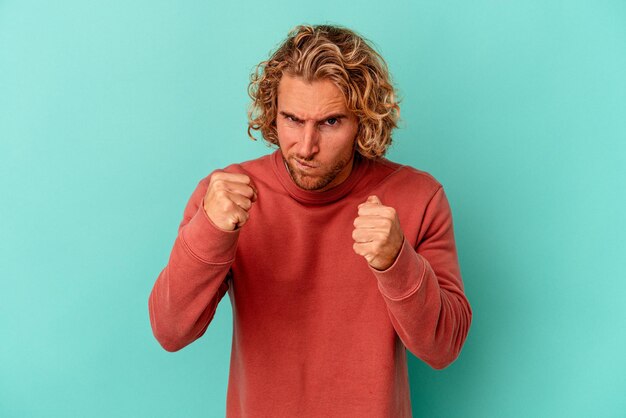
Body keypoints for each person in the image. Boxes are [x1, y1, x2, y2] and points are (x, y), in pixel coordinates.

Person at [148, 24, 472, 417]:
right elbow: (170, 331)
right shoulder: (224, 197)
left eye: (330, 122)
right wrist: (211, 231)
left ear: (363, 121)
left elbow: (443, 348)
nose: (305, 147)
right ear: (273, 112)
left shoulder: (418, 197)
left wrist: (396, 261)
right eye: (292, 119)